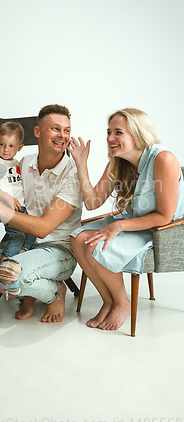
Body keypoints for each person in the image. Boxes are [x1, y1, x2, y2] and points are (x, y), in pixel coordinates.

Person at [0, 104, 82, 323]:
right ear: (37, 132)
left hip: (57, 250)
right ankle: (25, 283)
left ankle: (54, 291)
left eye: (67, 130)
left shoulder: (72, 176)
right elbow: (6, 206)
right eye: (55, 128)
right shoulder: (23, 163)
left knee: (10, 273)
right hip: (24, 242)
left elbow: (43, 229)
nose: (62, 135)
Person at [69, 108, 184, 331]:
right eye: (109, 132)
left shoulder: (164, 159)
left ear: (138, 135)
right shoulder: (118, 162)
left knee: (95, 244)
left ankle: (122, 303)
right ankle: (109, 301)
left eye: (118, 132)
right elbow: (92, 202)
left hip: (160, 230)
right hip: (133, 222)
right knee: (77, 239)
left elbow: (164, 216)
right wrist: (81, 164)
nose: (109, 138)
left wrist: (118, 226)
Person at [0, 122, 35, 294]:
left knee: (32, 233)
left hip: (23, 207)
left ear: (19, 147)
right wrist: (6, 197)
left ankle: (17, 259)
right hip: (7, 208)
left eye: (11, 146)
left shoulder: (17, 162)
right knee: (17, 236)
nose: (6, 149)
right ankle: (0, 272)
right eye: (2, 145)